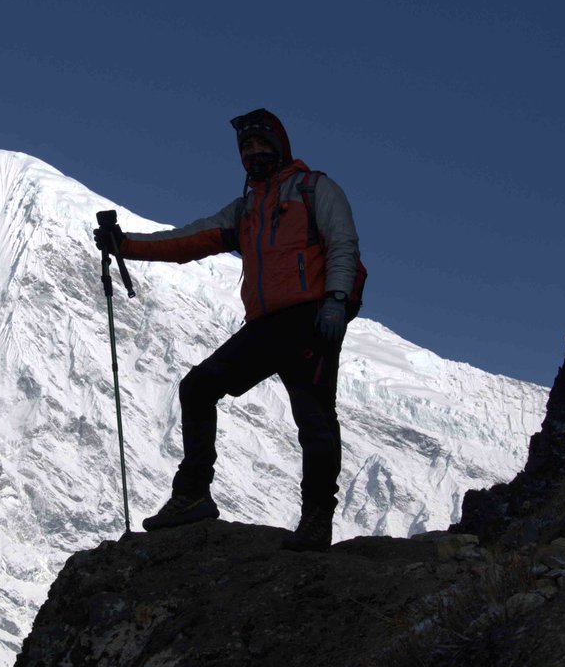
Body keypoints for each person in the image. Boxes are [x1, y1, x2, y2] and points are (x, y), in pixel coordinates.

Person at [93, 108, 363, 552]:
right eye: (246, 148)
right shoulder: (247, 210)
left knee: (314, 420)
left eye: (261, 145)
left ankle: (316, 518)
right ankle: (194, 494)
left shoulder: (315, 189)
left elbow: (343, 242)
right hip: (268, 325)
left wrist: (335, 301)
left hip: (311, 319)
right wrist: (127, 247)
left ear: (280, 147)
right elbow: (189, 240)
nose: (254, 153)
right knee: (198, 388)